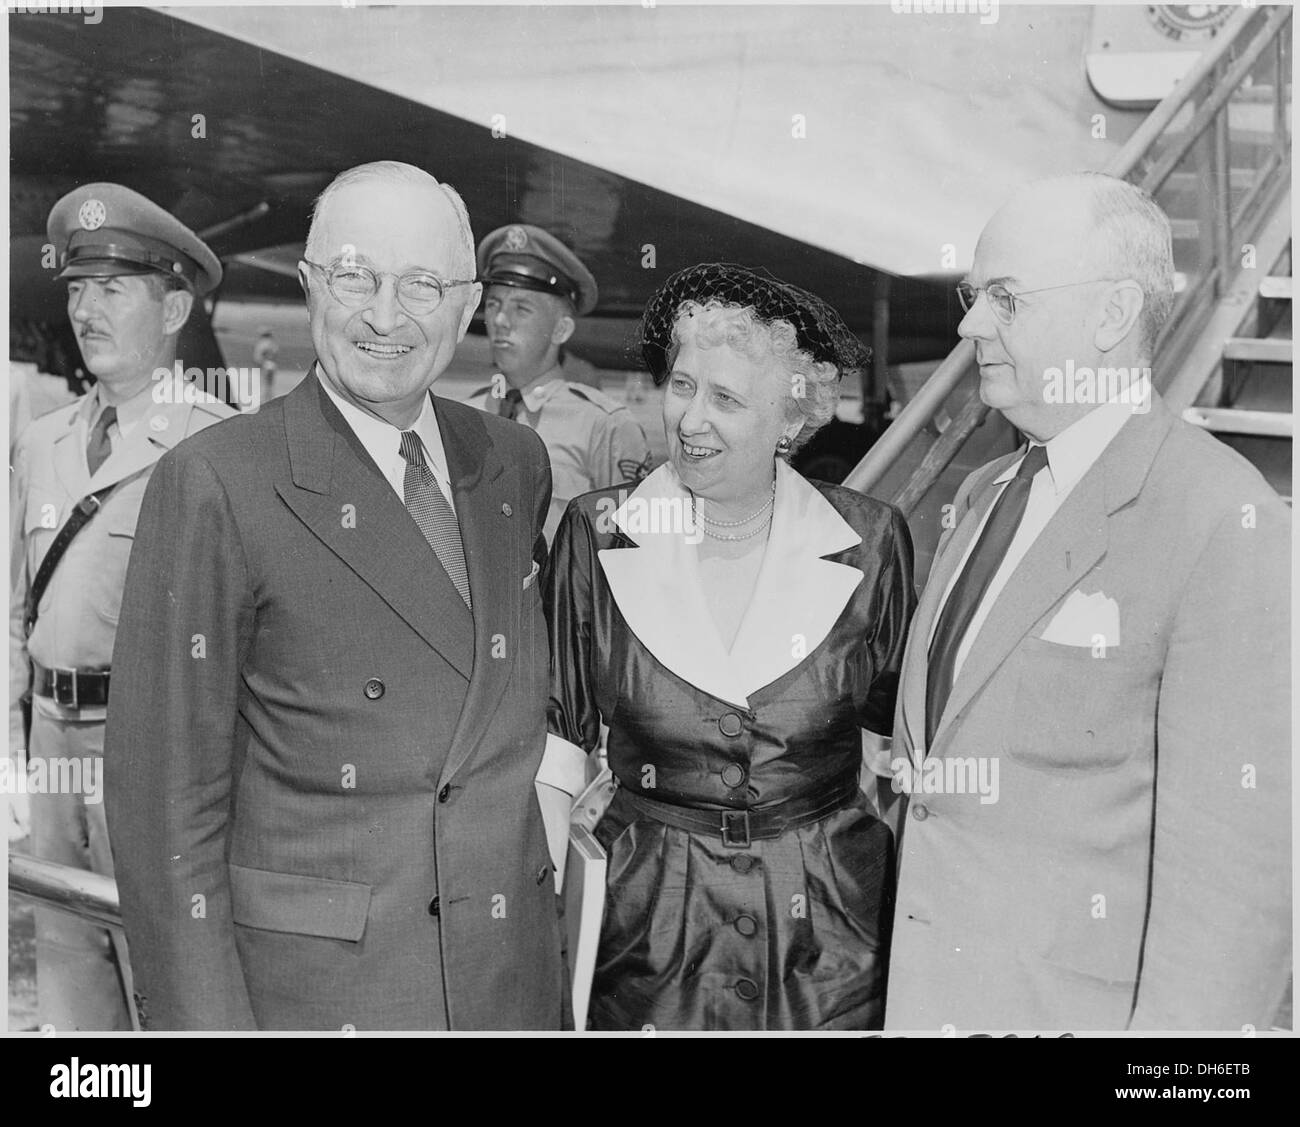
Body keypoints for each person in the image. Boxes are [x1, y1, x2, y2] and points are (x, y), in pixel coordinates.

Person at [103, 161, 566, 1030]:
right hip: (325, 995)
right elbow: (165, 814)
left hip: (507, 984)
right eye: (355, 276)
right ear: (312, 287)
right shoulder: (216, 481)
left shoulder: (511, 464)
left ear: (467, 306)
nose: (385, 316)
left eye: (423, 284)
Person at [885, 173, 1291, 1031]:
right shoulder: (990, 489)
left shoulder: (1220, 517)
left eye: (1005, 297)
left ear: (1110, 316)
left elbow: (1237, 891)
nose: (967, 324)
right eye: (973, 294)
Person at [543, 263, 916, 1030]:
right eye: (682, 386)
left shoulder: (872, 543)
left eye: (727, 400)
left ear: (790, 418)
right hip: (650, 937)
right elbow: (556, 747)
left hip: (832, 942)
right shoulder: (596, 531)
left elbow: (901, 741)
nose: (690, 420)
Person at [9, 183, 234, 1030]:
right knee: (65, 955)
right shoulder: (42, 443)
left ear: (174, 305)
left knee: (161, 968)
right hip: (50, 742)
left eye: (113, 289)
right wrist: (10, 755)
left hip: (151, 747)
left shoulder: (211, 444)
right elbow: (10, 615)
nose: (85, 310)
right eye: (76, 288)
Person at [467, 224, 652, 541]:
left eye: (521, 308)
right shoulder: (465, 415)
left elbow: (633, 548)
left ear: (561, 330)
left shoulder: (604, 426)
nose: (499, 320)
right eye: (495, 304)